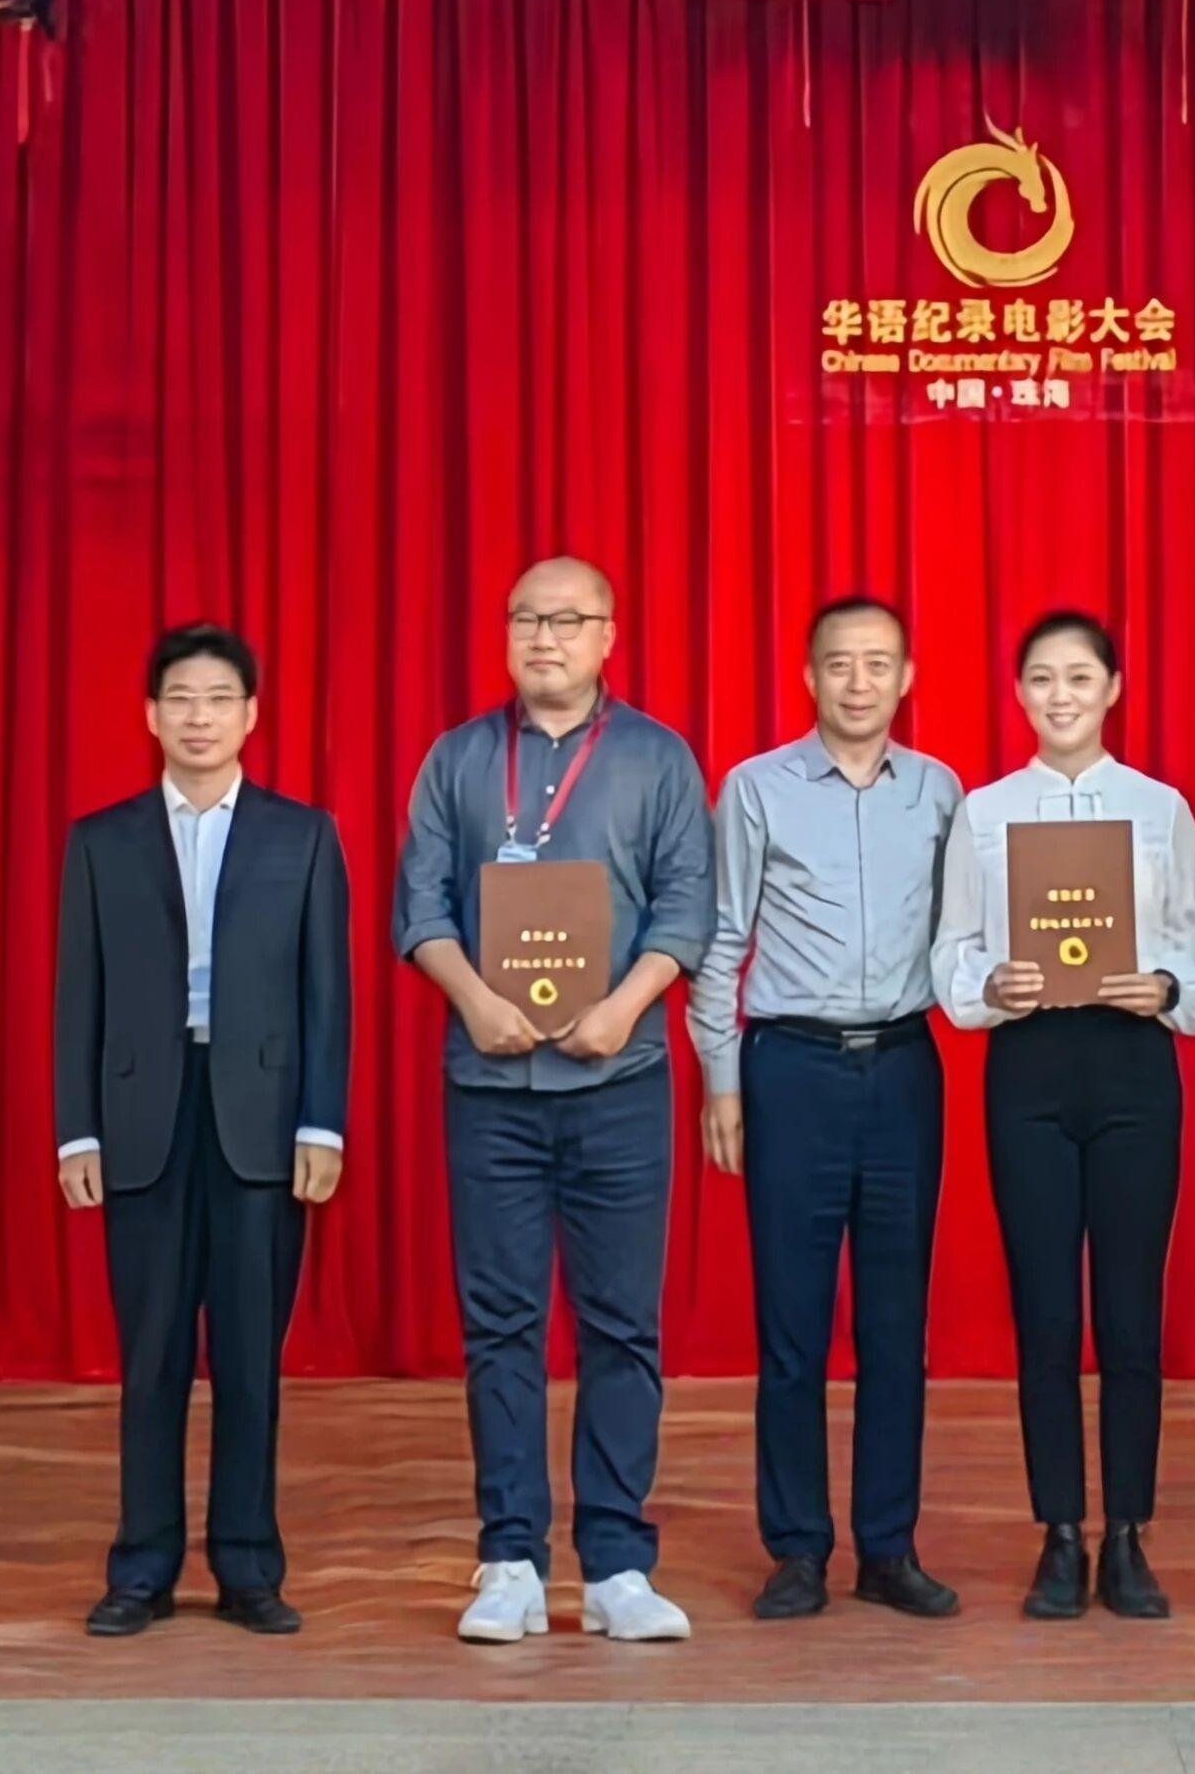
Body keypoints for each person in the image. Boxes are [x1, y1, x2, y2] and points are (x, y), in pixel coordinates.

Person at [393, 555, 716, 1647]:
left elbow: (686, 908)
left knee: (622, 1323)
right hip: (490, 1085)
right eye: (527, 617)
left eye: (568, 619)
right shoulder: (456, 760)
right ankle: (510, 1560)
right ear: (505, 633)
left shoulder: (657, 758)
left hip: (618, 1082)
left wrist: (624, 1008)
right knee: (501, 1324)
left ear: (608, 635)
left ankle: (618, 1562)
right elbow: (420, 905)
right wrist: (472, 998)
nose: (545, 637)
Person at [53, 621, 352, 1637]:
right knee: (151, 1359)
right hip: (142, 1118)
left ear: (250, 715)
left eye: (218, 698)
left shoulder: (301, 836)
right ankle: (140, 1568)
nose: (198, 717)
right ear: (150, 714)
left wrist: (322, 1123)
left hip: (261, 1123)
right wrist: (77, 1132)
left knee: (250, 1360)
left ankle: (248, 1565)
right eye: (179, 698)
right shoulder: (100, 841)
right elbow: (77, 995)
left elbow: (327, 993)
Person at [691, 595, 969, 1623]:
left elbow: (963, 933)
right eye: (839, 663)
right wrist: (721, 1078)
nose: (859, 682)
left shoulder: (941, 792)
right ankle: (797, 1547)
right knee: (792, 1323)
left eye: (878, 663)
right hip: (791, 1069)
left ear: (907, 678)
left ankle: (888, 1546)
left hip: (902, 1068)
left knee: (897, 1324)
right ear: (808, 676)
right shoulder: (755, 788)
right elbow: (721, 939)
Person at [932, 606, 1195, 1623]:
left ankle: (1127, 1534)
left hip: (1133, 1068)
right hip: (1030, 1069)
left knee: (1130, 1315)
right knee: (1044, 1311)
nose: (1061, 696)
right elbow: (951, 948)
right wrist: (987, 985)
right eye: (1042, 679)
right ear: (1018, 693)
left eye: (1080, 678)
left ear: (1113, 689)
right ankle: (1057, 1532)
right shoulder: (984, 812)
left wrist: (1166, 987)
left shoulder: (1159, 808)